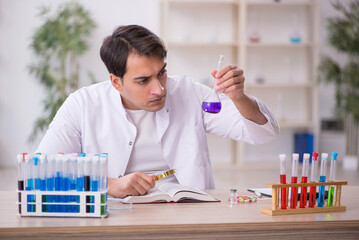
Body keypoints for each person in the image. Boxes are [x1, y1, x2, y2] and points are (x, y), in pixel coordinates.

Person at [36, 25, 279, 198]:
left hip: (188, 215)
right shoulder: (83, 104)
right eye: (143, 80)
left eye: (161, 72)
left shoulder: (189, 92)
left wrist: (238, 97)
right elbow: (41, 171)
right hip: (115, 216)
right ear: (116, 82)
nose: (159, 89)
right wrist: (107, 185)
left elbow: (263, 133)